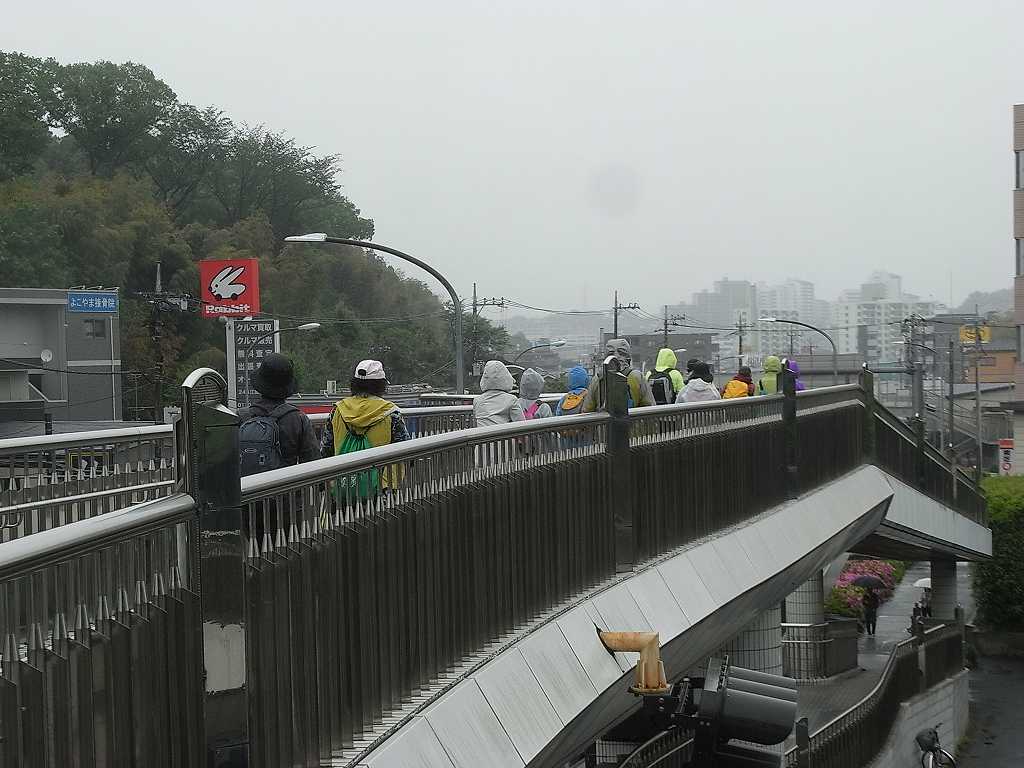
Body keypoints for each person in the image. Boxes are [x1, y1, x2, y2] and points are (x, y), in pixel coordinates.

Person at [239, 353, 318, 476]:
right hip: (285, 490)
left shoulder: (242, 417)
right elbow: (312, 460)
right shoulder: (298, 419)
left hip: (250, 491)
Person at [319, 359, 410, 458]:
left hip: (345, 471)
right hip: (381, 472)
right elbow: (406, 451)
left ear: (354, 384)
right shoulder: (391, 413)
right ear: (380, 385)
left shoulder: (337, 411)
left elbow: (326, 450)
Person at [582, 338, 656, 412]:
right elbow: (649, 407)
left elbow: (587, 409)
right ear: (628, 356)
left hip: (605, 421)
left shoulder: (598, 378)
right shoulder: (637, 376)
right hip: (631, 421)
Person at [474, 360, 525, 426]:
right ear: (506, 377)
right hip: (502, 435)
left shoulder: (477, 400)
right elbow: (521, 424)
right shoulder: (512, 400)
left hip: (481, 435)